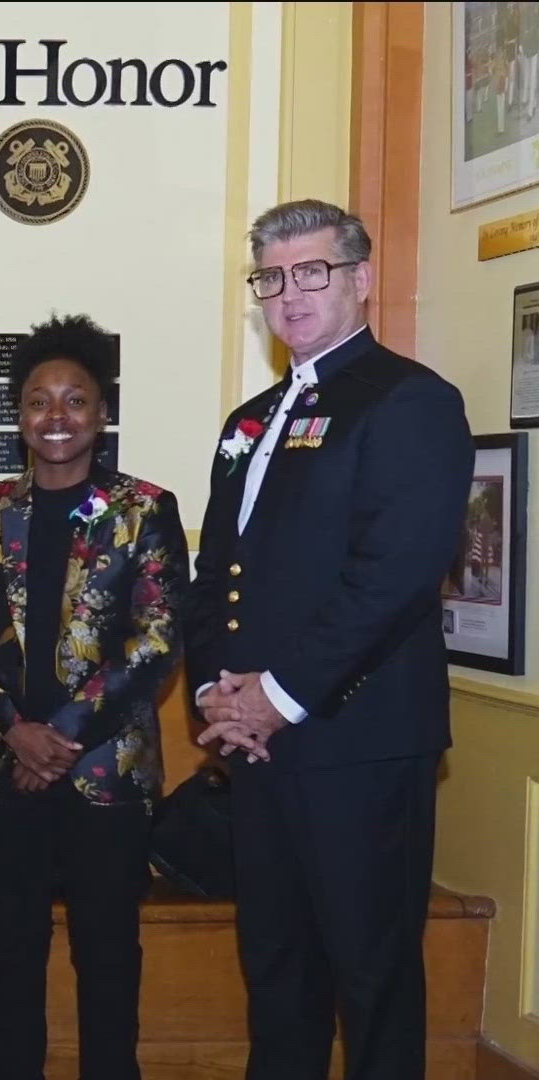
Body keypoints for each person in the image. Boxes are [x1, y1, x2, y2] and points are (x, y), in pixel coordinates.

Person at [191, 199, 473, 1080]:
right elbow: (217, 575)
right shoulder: (250, 419)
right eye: (271, 278)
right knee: (276, 969)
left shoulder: (410, 400)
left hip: (359, 743)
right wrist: (215, 691)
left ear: (360, 279)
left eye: (311, 272)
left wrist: (277, 696)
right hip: (258, 745)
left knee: (371, 971)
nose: (290, 294)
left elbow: (393, 574)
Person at [0, 314, 190, 1080]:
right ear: (18, 415)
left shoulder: (144, 510)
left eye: (74, 400)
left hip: (106, 774)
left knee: (108, 953)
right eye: (39, 401)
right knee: (9, 952)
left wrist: (62, 737)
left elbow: (155, 640)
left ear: (101, 413)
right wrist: (17, 731)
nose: (56, 417)